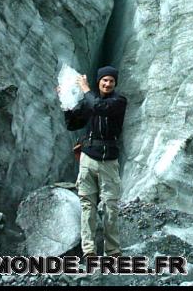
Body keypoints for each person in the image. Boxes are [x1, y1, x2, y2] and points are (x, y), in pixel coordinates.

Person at [57, 65, 127, 259]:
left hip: (109, 160)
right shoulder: (89, 102)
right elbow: (72, 124)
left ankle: (112, 250)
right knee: (88, 205)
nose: (107, 83)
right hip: (88, 158)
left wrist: (86, 89)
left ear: (115, 84)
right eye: (104, 80)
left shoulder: (118, 101)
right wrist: (65, 101)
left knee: (110, 205)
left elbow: (100, 107)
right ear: (99, 81)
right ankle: (89, 250)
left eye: (111, 81)